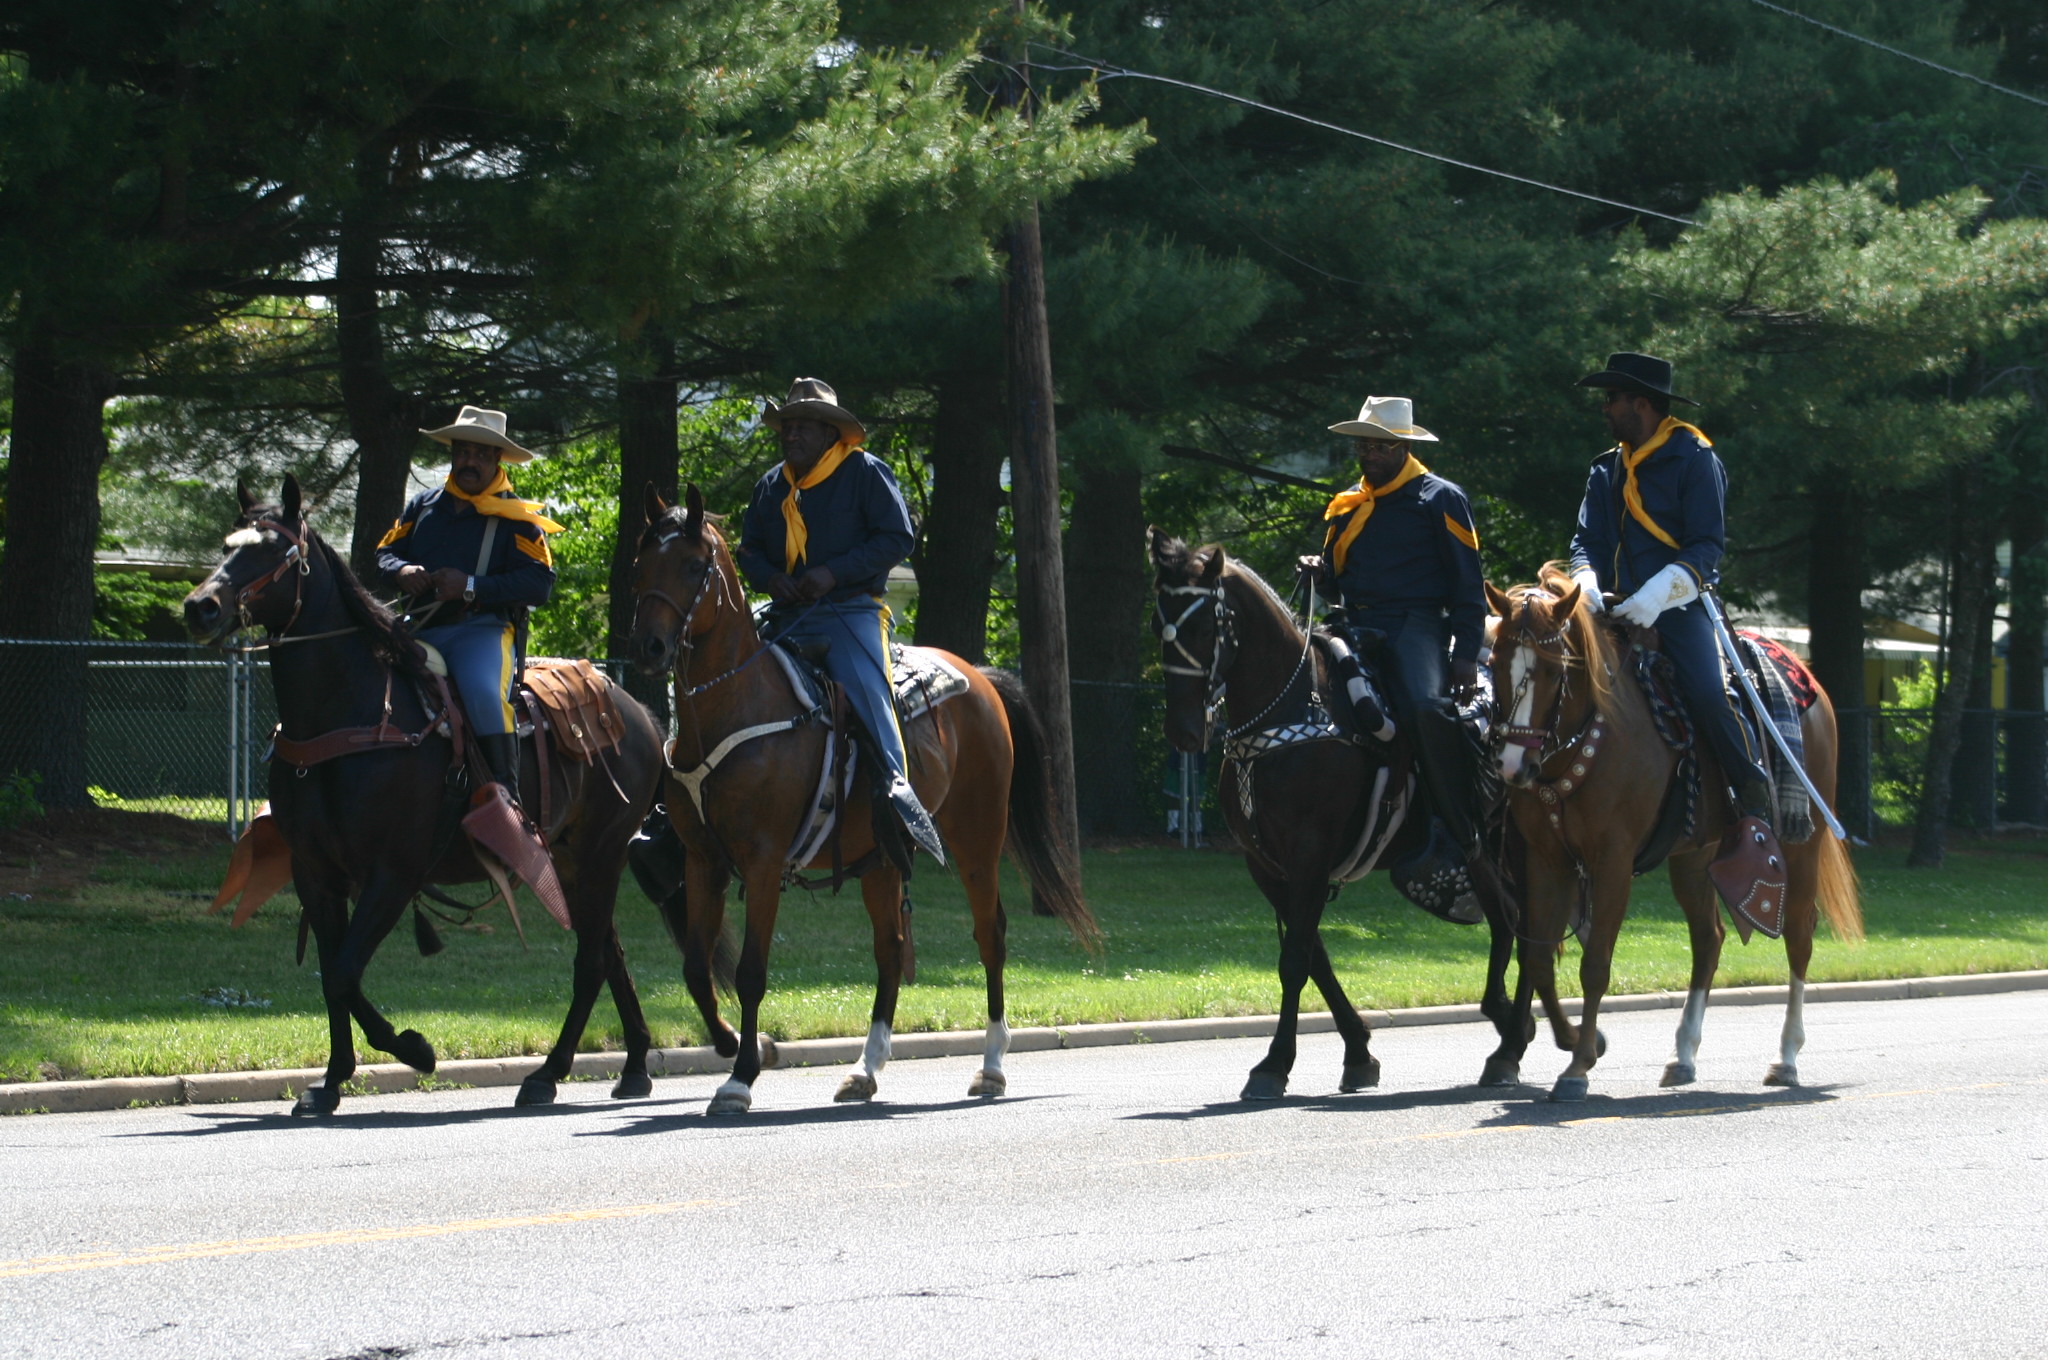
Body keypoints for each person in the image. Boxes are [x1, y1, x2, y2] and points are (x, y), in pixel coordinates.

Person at [734, 378, 944, 864]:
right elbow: (749, 550)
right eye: (787, 425)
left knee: (869, 692)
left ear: (830, 432)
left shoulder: (865, 472)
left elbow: (897, 538)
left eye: (803, 426)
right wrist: (771, 578)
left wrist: (834, 572)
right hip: (785, 615)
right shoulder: (771, 485)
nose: (791, 434)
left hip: (850, 611)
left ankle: (898, 800)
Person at [1567, 351, 1775, 829]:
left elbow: (1706, 547)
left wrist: (1657, 595)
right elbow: (1586, 542)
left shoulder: (1695, 459)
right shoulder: (1605, 469)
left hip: (1678, 606)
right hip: (1607, 607)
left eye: (1612, 398)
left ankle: (1752, 797)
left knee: (1708, 692)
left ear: (1641, 404)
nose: (1605, 407)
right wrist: (1585, 582)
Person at [1300, 395, 1487, 914]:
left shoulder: (1441, 497)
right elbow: (1336, 581)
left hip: (1415, 623)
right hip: (1351, 622)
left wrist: (1465, 653)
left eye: (1380, 446)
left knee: (1425, 708)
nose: (1369, 454)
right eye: (1364, 445)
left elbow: (1468, 583)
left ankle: (1459, 833)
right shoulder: (1347, 504)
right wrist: (1319, 572)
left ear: (1404, 447)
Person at [376, 405, 562, 825]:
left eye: (480, 454)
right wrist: (402, 571)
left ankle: (506, 804)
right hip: (417, 631)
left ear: (497, 459)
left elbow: (539, 583)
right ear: (453, 454)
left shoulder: (518, 519)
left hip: (480, 631)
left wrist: (472, 586)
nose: (469, 461)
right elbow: (385, 552)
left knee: (482, 693)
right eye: (463, 452)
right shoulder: (423, 506)